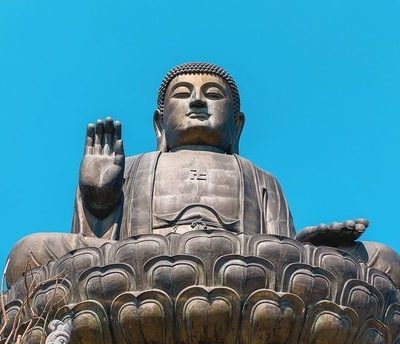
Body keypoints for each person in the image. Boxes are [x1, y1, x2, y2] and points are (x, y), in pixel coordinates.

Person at [8, 62, 400, 288]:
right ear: (160, 123)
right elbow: (99, 247)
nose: (197, 100)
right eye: (183, 94)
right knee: (28, 252)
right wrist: (98, 197)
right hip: (141, 267)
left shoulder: (259, 177)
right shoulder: (138, 166)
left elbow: (282, 253)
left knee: (383, 260)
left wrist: (314, 248)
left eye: (213, 94)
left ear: (238, 124)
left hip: (245, 272)